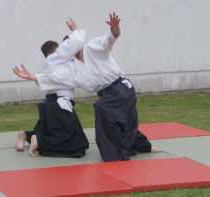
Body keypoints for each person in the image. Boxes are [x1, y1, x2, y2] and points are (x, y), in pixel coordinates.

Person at [14, 13, 151, 161]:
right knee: (115, 117)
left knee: (116, 116)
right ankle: (120, 153)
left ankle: (125, 151)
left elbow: (109, 40)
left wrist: (115, 29)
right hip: (107, 95)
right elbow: (56, 78)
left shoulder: (92, 47)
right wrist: (33, 77)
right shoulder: (73, 69)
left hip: (121, 87)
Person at [13, 31, 89, 158]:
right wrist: (75, 30)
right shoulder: (59, 62)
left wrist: (34, 77)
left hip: (50, 105)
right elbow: (60, 77)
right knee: (77, 145)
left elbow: (50, 79)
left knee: (49, 132)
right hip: (60, 106)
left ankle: (27, 135)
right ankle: (37, 141)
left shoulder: (50, 63)